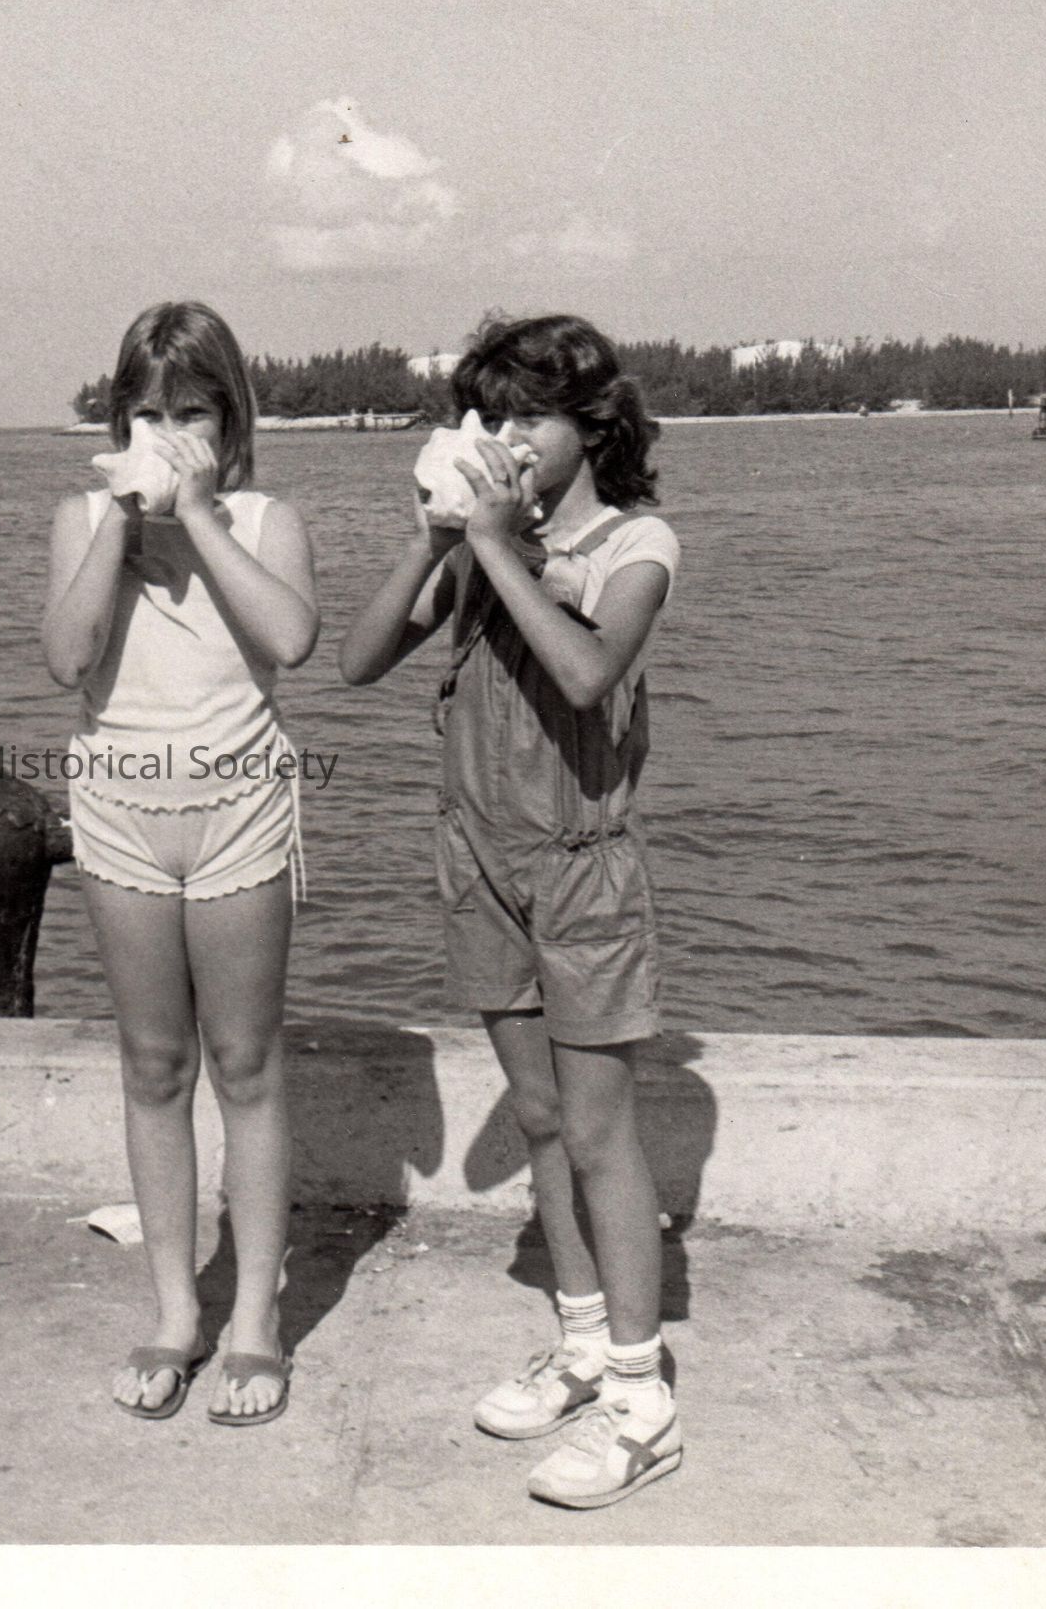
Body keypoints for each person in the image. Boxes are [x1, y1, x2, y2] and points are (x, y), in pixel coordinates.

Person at [338, 313, 683, 1507]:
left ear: (594, 426)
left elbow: (587, 674)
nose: (507, 438)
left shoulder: (636, 543)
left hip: (581, 869)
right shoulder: (482, 546)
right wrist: (435, 539)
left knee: (598, 1133)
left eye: (531, 417)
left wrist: (495, 545)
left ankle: (642, 1396)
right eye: (489, 418)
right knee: (539, 1116)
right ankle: (583, 1343)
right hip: (479, 856)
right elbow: (358, 662)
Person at [42, 301, 319, 1425]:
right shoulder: (81, 519)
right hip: (120, 814)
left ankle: (255, 1317)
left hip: (239, 810)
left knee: (246, 1065)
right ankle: (173, 1309)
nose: (169, 434)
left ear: (230, 419)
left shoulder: (264, 519)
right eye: (150, 415)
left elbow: (291, 639)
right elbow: (67, 657)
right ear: (120, 420)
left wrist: (198, 513)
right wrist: (120, 522)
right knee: (154, 1065)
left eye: (193, 413)